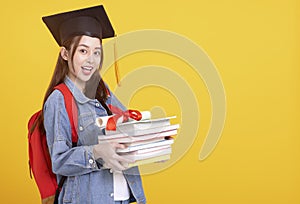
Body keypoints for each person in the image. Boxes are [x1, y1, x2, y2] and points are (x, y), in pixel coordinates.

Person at [39, 5, 146, 204]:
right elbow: (59, 160)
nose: (91, 60)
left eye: (96, 52)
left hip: (122, 198)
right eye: (83, 50)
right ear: (65, 53)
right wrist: (96, 152)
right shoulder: (59, 99)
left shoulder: (103, 92)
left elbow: (126, 126)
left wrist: (151, 140)